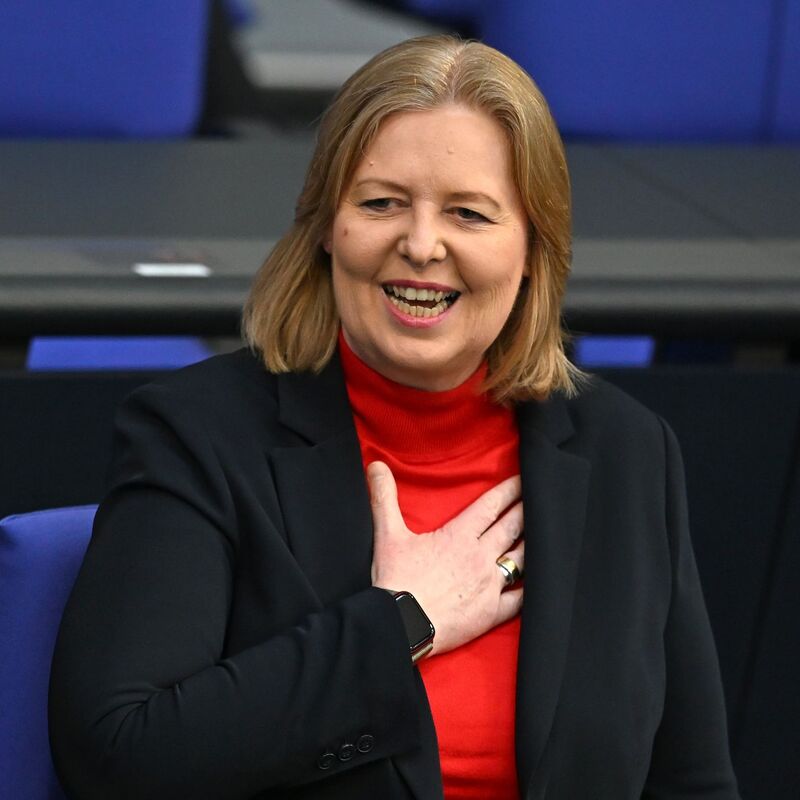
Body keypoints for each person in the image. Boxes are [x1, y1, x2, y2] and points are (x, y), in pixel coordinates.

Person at [49, 35, 739, 799]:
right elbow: (119, 757)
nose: (420, 244)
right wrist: (401, 622)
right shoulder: (198, 435)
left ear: (533, 250)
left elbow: (694, 782)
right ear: (325, 225)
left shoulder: (627, 452)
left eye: (468, 214)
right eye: (381, 203)